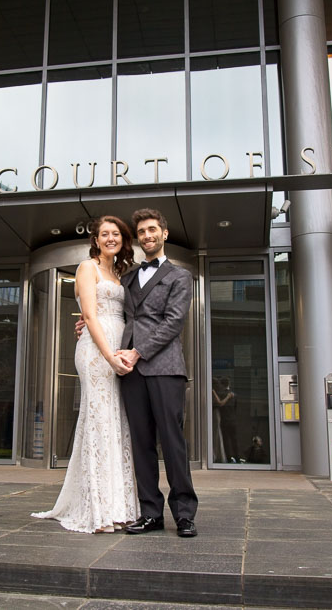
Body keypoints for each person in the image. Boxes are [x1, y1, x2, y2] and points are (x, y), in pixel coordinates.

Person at [32, 216, 139, 533]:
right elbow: (90, 315)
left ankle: (118, 504)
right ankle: (98, 507)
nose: (110, 238)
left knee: (115, 421)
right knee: (98, 419)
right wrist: (109, 356)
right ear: (95, 239)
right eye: (105, 234)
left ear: (122, 239)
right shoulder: (86, 267)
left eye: (116, 234)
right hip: (96, 352)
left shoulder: (118, 273)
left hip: (119, 349)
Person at [114, 208, 199, 538]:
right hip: (130, 372)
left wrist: (138, 351)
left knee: (172, 442)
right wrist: (87, 324)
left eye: (153, 230)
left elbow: (173, 323)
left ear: (164, 233)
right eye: (142, 232)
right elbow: (118, 314)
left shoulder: (179, 277)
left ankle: (184, 514)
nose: (147, 236)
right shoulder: (128, 277)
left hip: (164, 367)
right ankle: (150, 512)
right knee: (141, 443)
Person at [212, 376, 239, 463]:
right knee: (234, 439)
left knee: (226, 440)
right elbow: (236, 407)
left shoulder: (220, 394)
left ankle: (228, 458)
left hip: (224, 419)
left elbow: (220, 404)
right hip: (233, 419)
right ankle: (237, 457)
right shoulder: (233, 395)